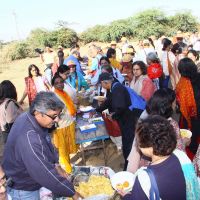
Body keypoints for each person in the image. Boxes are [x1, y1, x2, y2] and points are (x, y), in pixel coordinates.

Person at [2, 91, 81, 199]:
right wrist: (73, 193)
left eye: (58, 115)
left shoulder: (30, 117)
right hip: (23, 189)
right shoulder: (29, 138)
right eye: (54, 116)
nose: (57, 120)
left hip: (28, 180)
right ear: (38, 112)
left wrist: (56, 165)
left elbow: (47, 142)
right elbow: (45, 173)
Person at [123, 115, 199, 200]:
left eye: (138, 140)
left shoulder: (144, 178)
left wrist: (126, 195)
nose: (137, 144)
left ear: (149, 147)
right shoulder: (181, 155)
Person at [127, 88, 185, 173]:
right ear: (169, 106)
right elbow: (180, 151)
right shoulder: (171, 125)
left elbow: (136, 148)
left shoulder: (145, 119)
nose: (175, 105)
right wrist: (184, 142)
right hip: (164, 168)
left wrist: (131, 171)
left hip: (145, 167)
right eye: (174, 102)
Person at [96, 73, 142, 169]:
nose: (102, 87)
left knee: (128, 143)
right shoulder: (115, 86)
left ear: (104, 82)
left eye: (101, 84)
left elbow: (120, 108)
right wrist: (97, 110)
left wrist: (113, 116)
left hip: (127, 119)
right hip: (126, 118)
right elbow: (109, 101)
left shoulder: (117, 89)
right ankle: (128, 163)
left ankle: (129, 166)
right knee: (127, 141)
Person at [51, 75, 77, 173]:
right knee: (63, 150)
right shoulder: (54, 96)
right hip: (61, 127)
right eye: (57, 83)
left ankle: (69, 166)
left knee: (67, 148)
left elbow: (68, 108)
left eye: (61, 82)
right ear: (53, 85)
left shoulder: (64, 93)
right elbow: (55, 113)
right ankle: (68, 171)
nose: (60, 84)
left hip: (68, 123)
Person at [176, 57, 200, 158]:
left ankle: (193, 155)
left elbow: (179, 100)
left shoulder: (182, 83)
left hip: (188, 116)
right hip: (196, 113)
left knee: (191, 136)